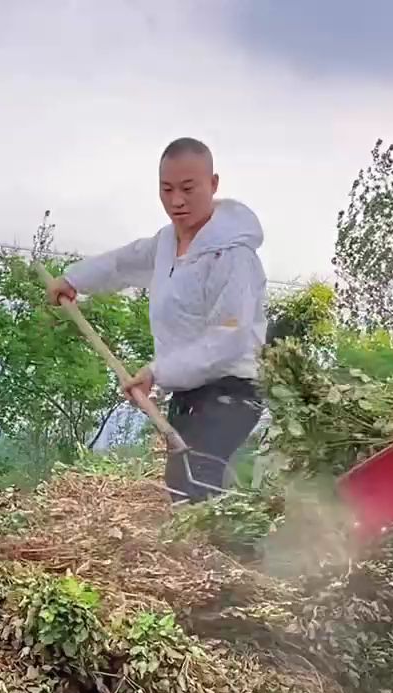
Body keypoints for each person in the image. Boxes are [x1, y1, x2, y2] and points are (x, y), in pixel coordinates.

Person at [47, 137, 268, 503]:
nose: (176, 201)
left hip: (231, 392)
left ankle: (238, 556)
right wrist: (73, 280)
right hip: (187, 393)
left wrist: (156, 372)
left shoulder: (233, 256)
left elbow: (228, 339)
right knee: (183, 490)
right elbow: (123, 263)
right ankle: (221, 553)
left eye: (187, 188)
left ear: (213, 184)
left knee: (198, 484)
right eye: (166, 189)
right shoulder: (166, 244)